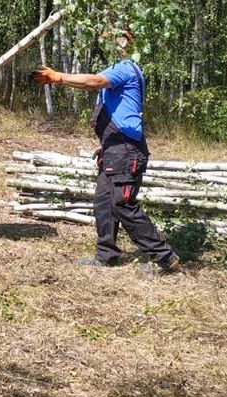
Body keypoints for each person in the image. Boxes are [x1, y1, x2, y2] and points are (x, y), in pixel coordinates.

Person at [34, 29, 180, 273]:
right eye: (111, 39)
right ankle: (107, 254)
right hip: (113, 149)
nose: (115, 43)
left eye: (121, 39)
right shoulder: (117, 67)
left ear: (131, 44)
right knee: (104, 202)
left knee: (122, 205)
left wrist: (58, 77)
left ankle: (165, 258)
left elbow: (95, 82)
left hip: (126, 150)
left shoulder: (126, 68)